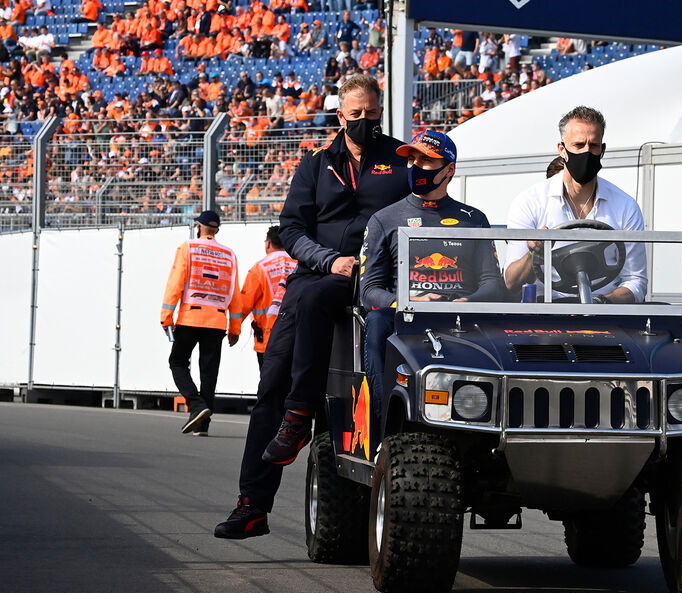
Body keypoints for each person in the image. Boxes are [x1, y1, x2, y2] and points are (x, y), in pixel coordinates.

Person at [214, 73, 408, 540]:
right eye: (356, 114)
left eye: (372, 114)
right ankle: (252, 504)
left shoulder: (402, 160)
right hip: (316, 277)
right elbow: (292, 230)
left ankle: (303, 414)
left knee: (322, 311)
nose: (365, 121)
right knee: (271, 384)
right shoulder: (316, 164)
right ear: (340, 115)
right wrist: (328, 260)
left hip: (376, 280)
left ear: (381, 112)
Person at [360, 129, 503, 418]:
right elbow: (368, 291)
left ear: (449, 170)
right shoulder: (383, 219)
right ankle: (382, 422)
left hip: (461, 316)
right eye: (412, 159)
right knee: (375, 321)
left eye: (426, 160)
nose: (415, 166)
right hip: (406, 317)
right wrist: (409, 301)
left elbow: (493, 283)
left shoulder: (474, 219)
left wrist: (467, 302)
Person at [503, 106, 647, 303]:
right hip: (546, 311)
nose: (587, 152)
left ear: (602, 150)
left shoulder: (626, 206)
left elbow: (636, 280)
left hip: (605, 312)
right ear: (562, 150)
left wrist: (601, 303)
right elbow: (511, 282)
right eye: (579, 145)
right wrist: (534, 253)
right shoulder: (530, 201)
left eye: (593, 145)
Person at [160, 210, 243, 436]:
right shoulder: (229, 254)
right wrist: (235, 328)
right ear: (217, 230)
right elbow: (234, 294)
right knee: (209, 373)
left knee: (177, 362)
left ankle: (196, 405)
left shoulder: (188, 248)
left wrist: (166, 317)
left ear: (199, 227)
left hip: (190, 317)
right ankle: (202, 425)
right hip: (217, 321)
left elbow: (175, 284)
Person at [237, 225, 297, 369]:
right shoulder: (298, 264)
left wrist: (234, 329)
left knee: (269, 379)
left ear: (268, 243)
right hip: (296, 336)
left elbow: (243, 305)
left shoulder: (259, 268)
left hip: (267, 337)